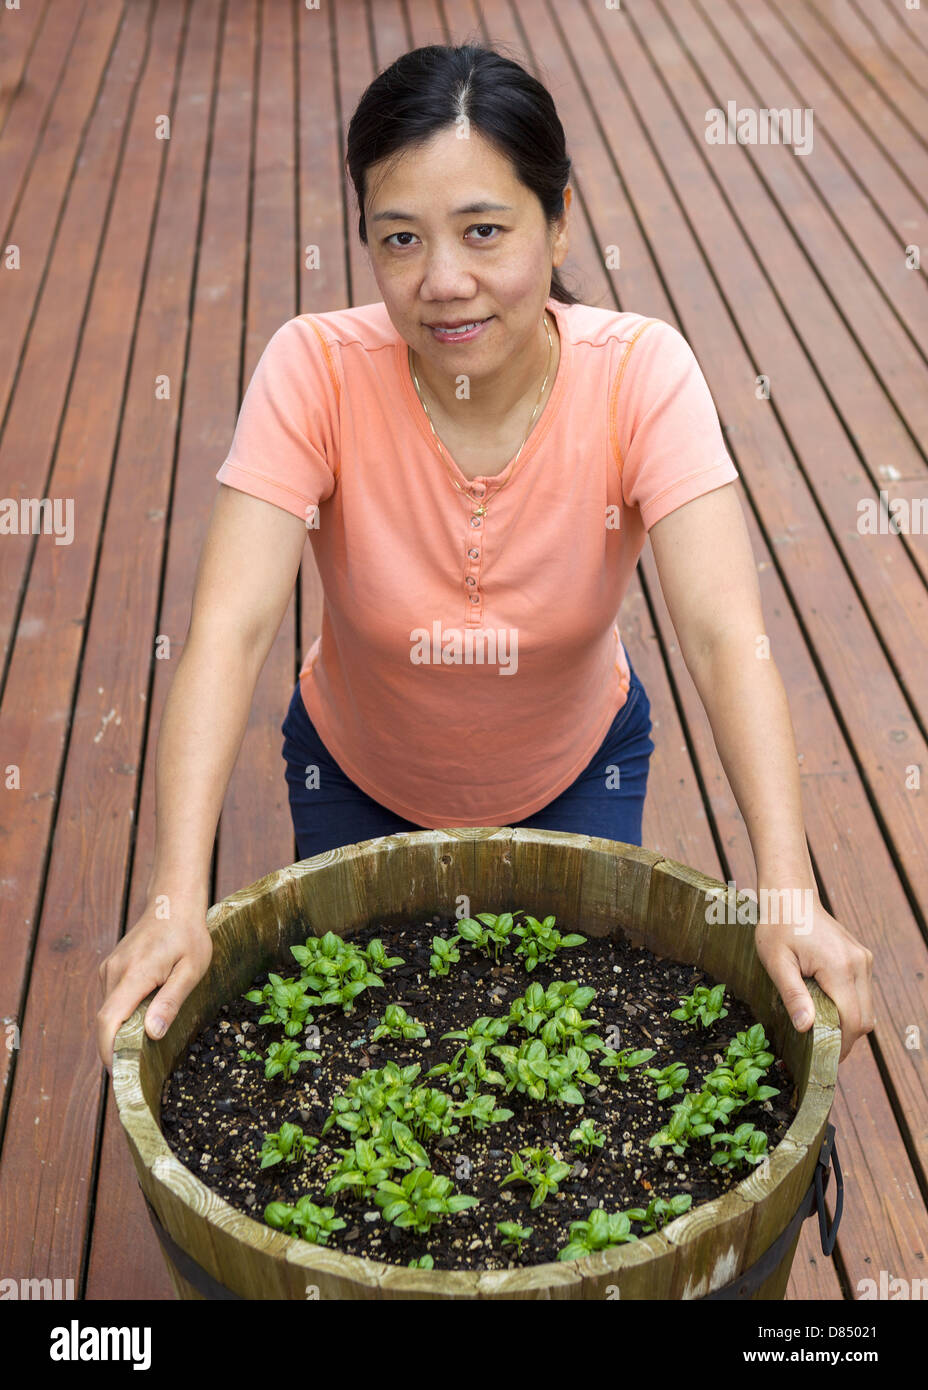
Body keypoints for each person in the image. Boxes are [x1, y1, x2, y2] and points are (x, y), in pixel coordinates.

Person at [97, 42, 873, 1075]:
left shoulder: (641, 373)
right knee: (373, 1066)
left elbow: (726, 638)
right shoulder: (314, 369)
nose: (444, 282)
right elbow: (227, 635)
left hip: (576, 773)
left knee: (563, 1067)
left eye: (484, 231)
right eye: (401, 239)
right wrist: (173, 899)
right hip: (355, 777)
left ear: (559, 221)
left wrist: (786, 891)